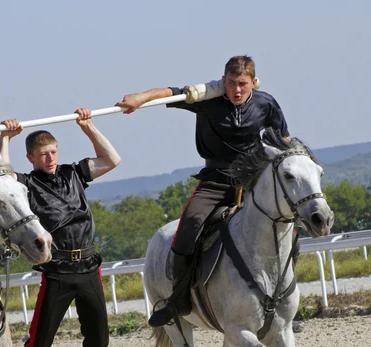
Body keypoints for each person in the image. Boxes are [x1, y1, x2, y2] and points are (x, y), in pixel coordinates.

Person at [116, 55, 289, 327]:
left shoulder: (266, 103)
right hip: (216, 179)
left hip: (255, 179)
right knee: (190, 224)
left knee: (288, 220)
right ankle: (179, 298)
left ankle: (284, 299)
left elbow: (283, 142)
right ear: (223, 81)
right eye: (231, 83)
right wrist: (139, 98)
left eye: (242, 83)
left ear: (253, 82)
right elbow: (169, 94)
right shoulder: (207, 101)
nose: (237, 90)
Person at [0, 108, 121, 347]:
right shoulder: (26, 184)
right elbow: (1, 174)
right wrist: (5, 138)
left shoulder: (73, 173)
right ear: (31, 158)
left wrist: (88, 127)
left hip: (89, 267)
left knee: (99, 343)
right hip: (57, 272)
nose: (50, 158)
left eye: (53, 152)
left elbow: (112, 159)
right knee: (38, 345)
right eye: (42, 155)